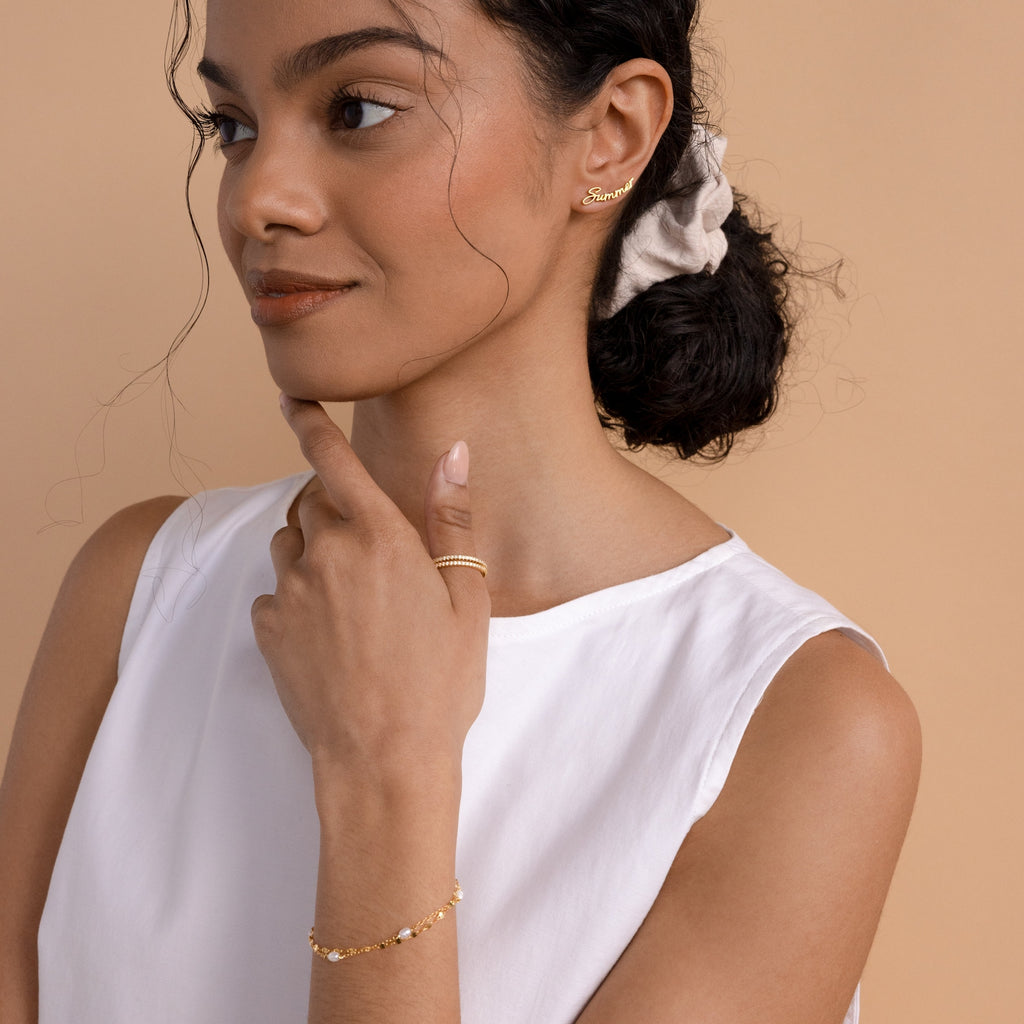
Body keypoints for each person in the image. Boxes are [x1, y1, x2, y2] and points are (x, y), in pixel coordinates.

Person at [0, 0, 922, 1021]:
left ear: (611, 134)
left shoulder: (794, 723)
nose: (258, 198)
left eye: (357, 108)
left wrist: (385, 772)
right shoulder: (141, 587)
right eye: (233, 125)